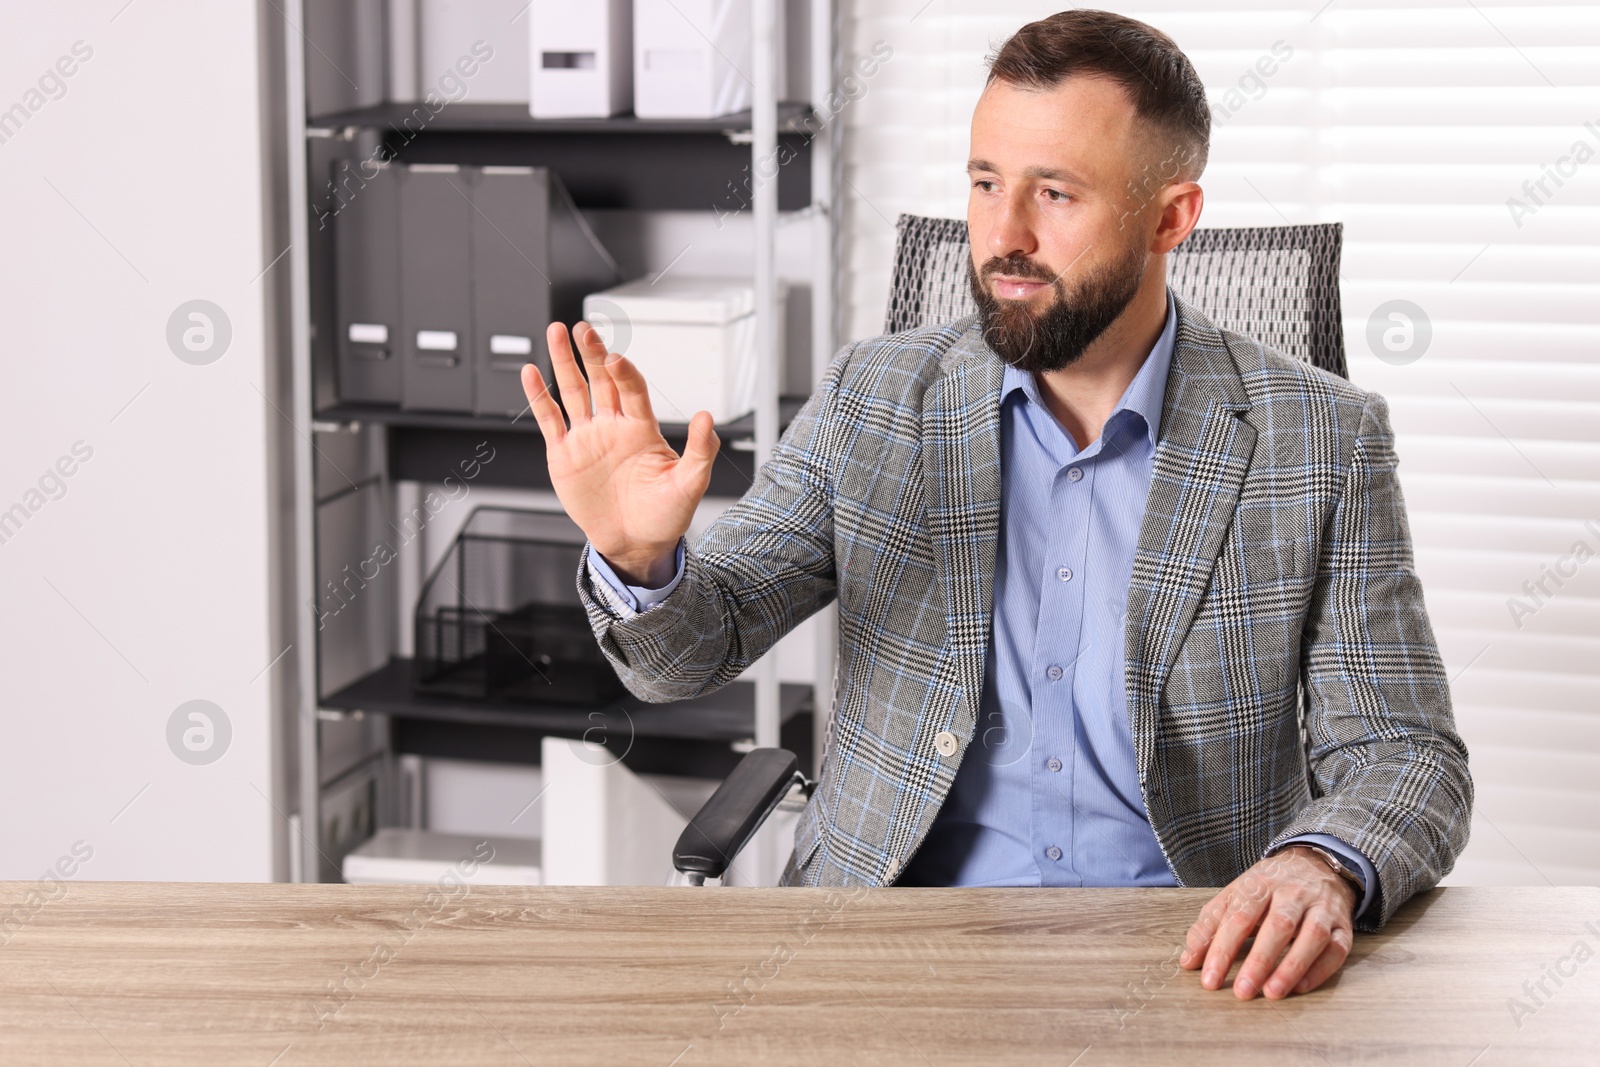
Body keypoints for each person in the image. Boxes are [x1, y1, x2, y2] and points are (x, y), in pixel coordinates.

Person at [520, 9, 1471, 1002]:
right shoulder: (876, 398)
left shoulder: (1320, 439)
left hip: (1191, 953)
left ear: (1169, 218)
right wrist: (638, 559)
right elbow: (686, 658)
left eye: (1054, 193)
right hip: (891, 934)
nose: (1003, 235)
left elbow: (1407, 754)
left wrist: (1317, 862)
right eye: (984, 183)